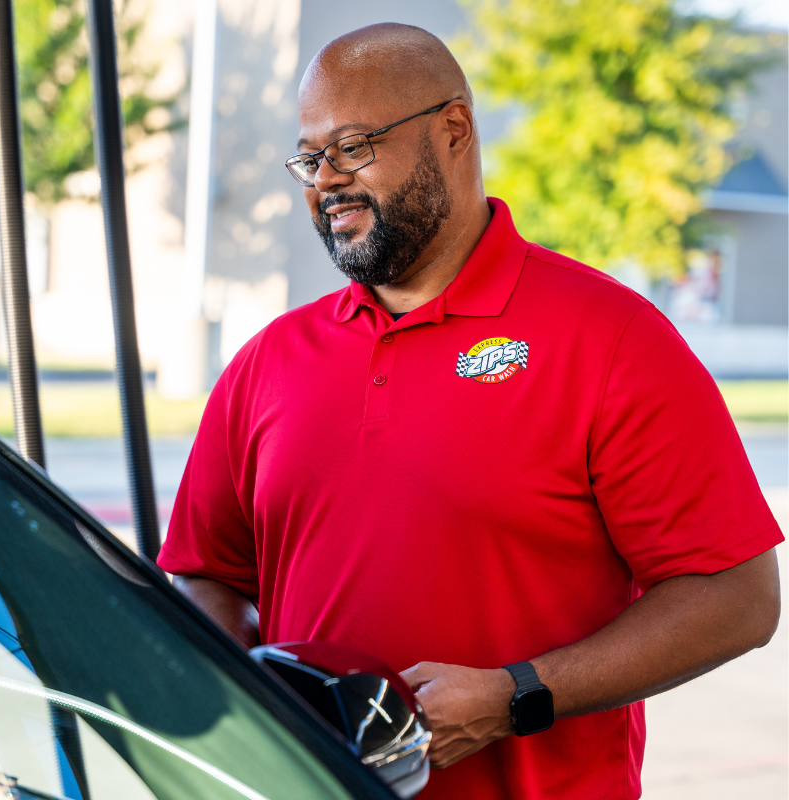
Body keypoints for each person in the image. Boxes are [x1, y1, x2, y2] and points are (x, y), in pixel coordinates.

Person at [157, 22, 783, 800]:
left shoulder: (612, 339)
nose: (327, 181)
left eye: (353, 147)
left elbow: (737, 599)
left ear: (453, 130)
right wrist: (256, 705)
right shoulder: (267, 363)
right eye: (311, 158)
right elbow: (204, 576)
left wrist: (518, 695)